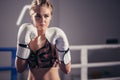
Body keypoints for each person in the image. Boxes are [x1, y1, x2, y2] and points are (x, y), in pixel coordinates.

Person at [15, 0, 71, 80]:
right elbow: (20, 69)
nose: (42, 20)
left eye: (46, 16)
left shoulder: (56, 37)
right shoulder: (26, 37)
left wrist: (64, 50)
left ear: (51, 17)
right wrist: (22, 45)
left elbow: (67, 70)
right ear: (31, 16)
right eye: (38, 16)